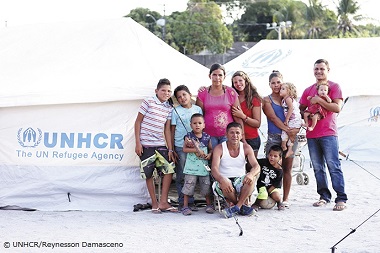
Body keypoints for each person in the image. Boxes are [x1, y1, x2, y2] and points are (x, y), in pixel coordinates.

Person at [299, 59, 347, 211]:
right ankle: (324, 196)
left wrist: (319, 100)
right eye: (316, 69)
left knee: (333, 165)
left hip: (328, 133)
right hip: (312, 134)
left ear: (328, 70)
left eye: (322, 69)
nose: (319, 71)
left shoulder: (334, 87)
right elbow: (301, 108)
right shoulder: (308, 89)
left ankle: (341, 198)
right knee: (318, 167)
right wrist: (310, 113)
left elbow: (337, 108)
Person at [134, 78, 177, 214]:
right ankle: (154, 202)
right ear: (156, 91)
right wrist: (138, 143)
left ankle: (163, 202)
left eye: (169, 91)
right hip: (146, 145)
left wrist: (170, 148)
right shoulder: (148, 102)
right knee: (149, 174)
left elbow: (167, 130)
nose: (166, 93)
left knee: (169, 169)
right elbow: (138, 122)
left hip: (160, 144)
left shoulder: (169, 108)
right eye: (163, 90)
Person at [262, 70, 300, 208]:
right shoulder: (267, 100)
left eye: (279, 82)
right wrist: (288, 131)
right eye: (273, 83)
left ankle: (286, 198)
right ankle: (271, 195)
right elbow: (273, 118)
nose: (276, 85)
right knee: (270, 168)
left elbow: (297, 115)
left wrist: (295, 131)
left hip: (291, 137)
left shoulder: (290, 99)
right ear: (269, 84)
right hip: (274, 136)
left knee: (287, 168)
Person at [211, 122, 261, 218]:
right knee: (225, 184)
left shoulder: (246, 147)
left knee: (251, 179)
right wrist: (222, 179)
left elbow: (256, 166)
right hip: (224, 180)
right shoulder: (219, 148)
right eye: (232, 133)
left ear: (242, 135)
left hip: (240, 181)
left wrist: (250, 174)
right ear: (226, 134)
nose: (235, 136)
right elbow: (214, 169)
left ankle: (237, 207)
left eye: (237, 133)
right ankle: (242, 206)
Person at [196, 63, 245, 148]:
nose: (217, 78)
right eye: (214, 75)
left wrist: (242, 137)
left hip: (227, 135)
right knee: (211, 159)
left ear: (224, 77)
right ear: (209, 76)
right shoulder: (203, 93)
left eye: (220, 75)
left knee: (226, 159)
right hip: (208, 135)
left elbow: (237, 116)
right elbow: (198, 116)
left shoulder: (231, 92)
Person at [170, 85, 203, 209]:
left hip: (196, 146)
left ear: (190, 95)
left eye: (184, 94)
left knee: (193, 174)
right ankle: (182, 201)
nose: (182, 98)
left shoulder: (198, 109)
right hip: (180, 145)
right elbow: (172, 129)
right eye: (179, 97)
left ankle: (192, 200)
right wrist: (172, 148)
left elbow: (202, 125)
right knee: (182, 174)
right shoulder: (175, 110)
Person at [181, 114, 214, 216]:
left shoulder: (207, 137)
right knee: (188, 185)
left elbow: (211, 149)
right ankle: (185, 206)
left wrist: (209, 155)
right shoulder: (188, 137)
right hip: (191, 167)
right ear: (191, 125)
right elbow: (184, 149)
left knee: (206, 185)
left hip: (203, 166)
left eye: (199, 123)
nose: (197, 125)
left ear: (204, 125)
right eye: (194, 123)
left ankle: (209, 205)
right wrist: (196, 149)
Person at [231, 71, 262, 157]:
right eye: (235, 82)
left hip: (252, 138)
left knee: (251, 167)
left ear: (246, 81)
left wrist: (243, 116)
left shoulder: (254, 98)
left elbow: (257, 123)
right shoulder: (232, 97)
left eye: (240, 80)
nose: (238, 84)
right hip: (235, 138)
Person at [253, 145, 285, 211]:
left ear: (280, 158)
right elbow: (254, 162)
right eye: (270, 155)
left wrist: (269, 192)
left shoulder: (279, 170)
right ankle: (256, 204)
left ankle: (279, 203)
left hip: (272, 187)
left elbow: (276, 184)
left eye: (275, 156)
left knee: (276, 195)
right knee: (263, 194)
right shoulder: (263, 162)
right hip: (262, 186)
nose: (272, 158)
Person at [279, 82, 302, 158]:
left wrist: (287, 119)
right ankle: (289, 149)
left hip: (294, 119)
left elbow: (291, 108)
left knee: (287, 131)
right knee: (289, 133)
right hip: (293, 119)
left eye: (283, 89)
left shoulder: (288, 99)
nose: (280, 90)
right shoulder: (284, 99)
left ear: (289, 91)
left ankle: (284, 146)